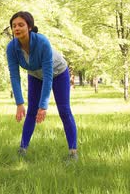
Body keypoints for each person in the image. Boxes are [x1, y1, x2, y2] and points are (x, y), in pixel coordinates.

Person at [6, 11, 78, 161]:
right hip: (34, 74)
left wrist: (43, 105)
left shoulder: (42, 42)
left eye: (21, 25)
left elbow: (48, 75)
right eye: (14, 26)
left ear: (30, 27)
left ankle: (73, 152)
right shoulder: (12, 48)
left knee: (64, 110)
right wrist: (19, 103)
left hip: (57, 72)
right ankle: (22, 150)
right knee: (31, 111)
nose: (17, 28)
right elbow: (14, 76)